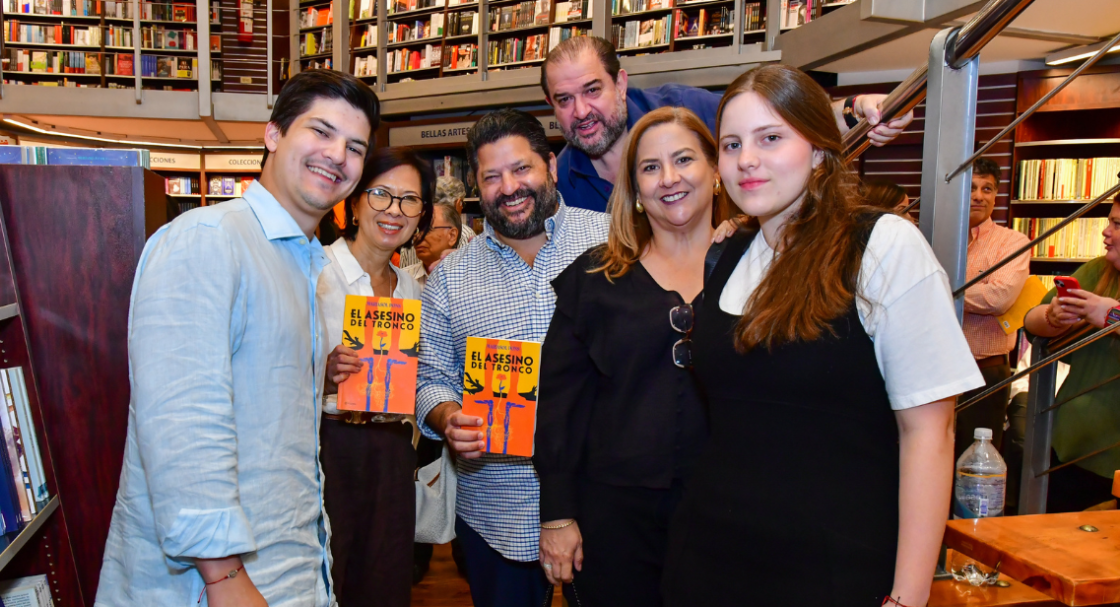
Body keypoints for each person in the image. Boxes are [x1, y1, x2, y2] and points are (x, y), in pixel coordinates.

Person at [663, 64, 984, 607]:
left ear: (818, 150)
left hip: (835, 569)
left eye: (771, 138)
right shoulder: (731, 252)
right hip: (712, 558)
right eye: (732, 144)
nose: (747, 160)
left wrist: (908, 597)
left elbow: (930, 433)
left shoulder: (883, 246)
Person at [97, 70, 379, 607]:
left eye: (355, 147)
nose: (337, 154)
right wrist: (225, 578)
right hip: (214, 583)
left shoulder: (303, 264)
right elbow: (183, 421)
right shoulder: (207, 240)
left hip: (290, 562)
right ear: (273, 135)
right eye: (320, 131)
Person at [534, 107, 730, 606]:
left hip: (730, 516)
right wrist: (557, 515)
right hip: (615, 521)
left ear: (716, 171)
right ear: (635, 189)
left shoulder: (757, 266)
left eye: (684, 159)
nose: (669, 179)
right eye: (649, 167)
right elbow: (559, 408)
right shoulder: (595, 278)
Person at [415, 108, 611, 607]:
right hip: (496, 510)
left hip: (608, 503)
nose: (509, 187)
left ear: (549, 164)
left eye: (521, 168)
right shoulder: (449, 277)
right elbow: (429, 375)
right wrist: (448, 416)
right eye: (492, 176)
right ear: (475, 187)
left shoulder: (612, 241)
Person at [540, 35, 914, 212]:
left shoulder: (681, 109)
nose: (582, 110)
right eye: (565, 100)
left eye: (593, 90)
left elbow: (775, 116)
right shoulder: (559, 187)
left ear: (620, 83)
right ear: (551, 106)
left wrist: (854, 109)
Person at [317, 147, 435, 607]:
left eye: (409, 200)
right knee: (327, 576)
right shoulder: (316, 271)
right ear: (354, 201)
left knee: (384, 581)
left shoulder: (414, 289)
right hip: (327, 448)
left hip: (391, 450)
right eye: (382, 195)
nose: (394, 210)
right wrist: (321, 371)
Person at [1023, 194, 1120, 513]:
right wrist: (1054, 316)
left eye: (1118, 224)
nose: (1106, 232)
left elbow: (1109, 315)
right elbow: (1031, 322)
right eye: (1109, 222)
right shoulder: (1099, 270)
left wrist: (1111, 315)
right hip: (1067, 447)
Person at [957, 157, 1031, 455]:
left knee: (976, 463)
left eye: (987, 189)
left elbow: (998, 298)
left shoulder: (1012, 243)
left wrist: (939, 287)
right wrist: (972, 289)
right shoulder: (937, 237)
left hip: (984, 372)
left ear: (995, 195)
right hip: (933, 369)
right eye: (972, 187)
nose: (978, 195)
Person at [399, 175, 475, 267]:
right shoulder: (464, 233)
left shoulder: (411, 233)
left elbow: (403, 277)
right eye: (463, 203)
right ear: (458, 203)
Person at [404, 203, 462, 288]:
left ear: (452, 236)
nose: (418, 236)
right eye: (416, 230)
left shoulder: (470, 281)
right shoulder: (400, 280)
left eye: (428, 229)